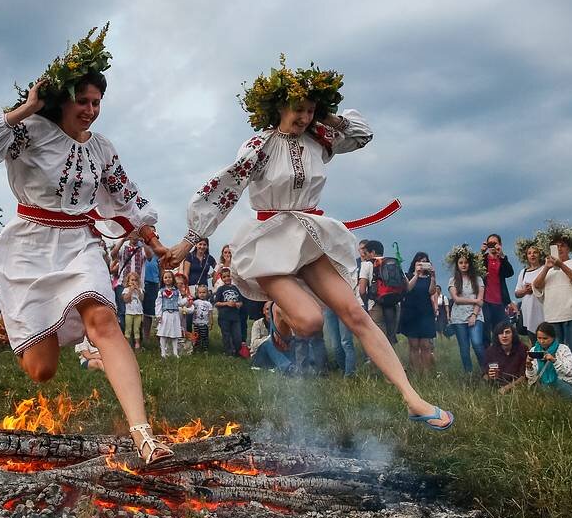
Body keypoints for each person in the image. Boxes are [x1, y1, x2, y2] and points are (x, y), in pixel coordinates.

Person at [166, 59, 452, 429]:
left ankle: (412, 398)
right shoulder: (260, 145)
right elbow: (225, 188)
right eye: (298, 109)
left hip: (309, 235)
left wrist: (329, 117)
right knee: (311, 321)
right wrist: (189, 241)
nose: (304, 117)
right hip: (267, 243)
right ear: (279, 108)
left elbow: (363, 135)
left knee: (356, 315)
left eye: (310, 109)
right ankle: (277, 333)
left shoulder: (320, 139)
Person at [0, 27, 173, 463]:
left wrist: (154, 242)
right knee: (42, 370)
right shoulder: (29, 132)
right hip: (28, 246)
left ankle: (144, 437)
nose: (92, 111)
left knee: (103, 319)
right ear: (62, 99)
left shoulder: (101, 149)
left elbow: (124, 198)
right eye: (83, 101)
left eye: (97, 103)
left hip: (79, 241)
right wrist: (26, 108)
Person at [532, 235, 572, 383]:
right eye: (555, 247)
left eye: (562, 245)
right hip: (553, 317)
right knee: (552, 352)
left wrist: (561, 265)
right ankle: (558, 384)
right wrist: (546, 267)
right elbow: (536, 286)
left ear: (569, 247)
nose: (559, 249)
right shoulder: (547, 268)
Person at [446, 245, 486, 373]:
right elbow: (456, 299)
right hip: (458, 317)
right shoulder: (453, 280)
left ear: (470, 264)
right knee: (464, 347)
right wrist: (475, 300)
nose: (464, 265)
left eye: (466, 262)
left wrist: (474, 315)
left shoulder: (478, 279)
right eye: (461, 263)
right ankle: (468, 373)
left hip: (476, 314)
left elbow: (481, 300)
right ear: (457, 264)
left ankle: (485, 371)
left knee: (477, 343)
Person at [359, 240, 405, 346]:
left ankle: (379, 362)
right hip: (394, 304)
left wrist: (367, 302)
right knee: (391, 338)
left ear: (373, 252)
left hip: (375, 305)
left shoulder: (366, 265)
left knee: (379, 341)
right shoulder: (394, 263)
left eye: (366, 253)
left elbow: (362, 290)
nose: (364, 256)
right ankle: (394, 361)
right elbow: (405, 285)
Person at [399, 252, 438, 371]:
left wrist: (433, 277)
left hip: (425, 312)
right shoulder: (408, 276)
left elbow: (431, 292)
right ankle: (415, 372)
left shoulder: (428, 278)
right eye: (420, 262)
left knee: (426, 345)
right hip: (411, 313)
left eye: (425, 262)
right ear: (415, 263)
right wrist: (416, 274)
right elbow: (407, 289)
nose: (422, 264)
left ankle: (426, 374)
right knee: (414, 345)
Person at [525, 322, 572, 400]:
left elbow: (570, 371)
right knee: (543, 389)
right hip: (542, 385)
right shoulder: (534, 350)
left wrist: (554, 361)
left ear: (553, 337)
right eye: (539, 338)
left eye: (545, 338)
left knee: (557, 385)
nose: (542, 341)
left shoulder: (563, 349)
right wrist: (528, 366)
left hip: (564, 384)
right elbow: (531, 378)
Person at [480, 234, 516, 340]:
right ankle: (487, 355)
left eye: (494, 243)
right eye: (490, 243)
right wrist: (481, 252)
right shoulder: (483, 259)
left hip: (500, 301)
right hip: (485, 300)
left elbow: (510, 273)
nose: (492, 246)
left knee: (501, 331)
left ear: (500, 244)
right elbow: (474, 270)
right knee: (486, 331)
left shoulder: (502, 259)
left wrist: (502, 255)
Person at [513, 240, 545, 342]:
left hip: (543, 310)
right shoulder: (523, 272)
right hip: (528, 312)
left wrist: (534, 287)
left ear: (540, 254)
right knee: (534, 342)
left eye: (535, 252)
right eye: (529, 253)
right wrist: (526, 290)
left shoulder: (545, 269)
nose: (532, 255)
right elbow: (517, 293)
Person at [250, 301, 295, 373]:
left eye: (272, 309)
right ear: (263, 311)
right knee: (269, 343)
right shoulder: (257, 324)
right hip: (260, 358)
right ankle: (288, 368)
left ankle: (303, 366)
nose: (270, 312)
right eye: (268, 309)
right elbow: (254, 344)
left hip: (277, 355)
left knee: (294, 342)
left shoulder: (284, 324)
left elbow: (291, 336)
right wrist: (271, 338)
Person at [484, 321, 527, 392]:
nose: (504, 336)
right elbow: (484, 374)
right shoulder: (490, 351)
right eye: (501, 333)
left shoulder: (522, 348)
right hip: (497, 385)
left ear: (513, 334)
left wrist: (507, 388)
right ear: (497, 336)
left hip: (518, 385)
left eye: (507, 332)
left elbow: (525, 375)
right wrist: (489, 376)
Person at [214, 267, 244, 357]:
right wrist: (227, 303)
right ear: (222, 278)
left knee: (237, 336)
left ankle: (237, 351)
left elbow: (241, 301)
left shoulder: (236, 288)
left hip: (235, 316)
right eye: (224, 277)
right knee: (226, 335)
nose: (227, 278)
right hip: (224, 316)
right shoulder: (221, 289)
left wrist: (238, 304)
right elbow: (216, 303)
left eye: (228, 276)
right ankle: (228, 352)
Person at [155, 270, 186, 358]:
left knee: (175, 333)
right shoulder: (161, 291)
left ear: (173, 279)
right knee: (163, 333)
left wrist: (187, 299)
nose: (168, 279)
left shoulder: (177, 291)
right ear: (163, 280)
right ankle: (163, 352)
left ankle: (175, 352)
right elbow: (158, 304)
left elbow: (180, 302)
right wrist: (158, 315)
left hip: (175, 314)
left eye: (169, 277)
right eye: (165, 277)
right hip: (165, 314)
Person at [122, 271, 144, 351]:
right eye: (132, 280)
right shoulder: (126, 290)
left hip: (138, 313)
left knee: (136, 329)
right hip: (129, 313)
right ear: (128, 281)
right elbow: (125, 299)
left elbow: (142, 298)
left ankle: (137, 343)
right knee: (128, 329)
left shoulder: (140, 290)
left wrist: (137, 290)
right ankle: (127, 344)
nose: (133, 282)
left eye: (135, 280)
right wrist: (131, 291)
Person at [141, 250, 161, 343]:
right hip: (142, 282)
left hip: (154, 283)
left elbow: (161, 270)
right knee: (143, 313)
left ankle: (157, 336)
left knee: (153, 312)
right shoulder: (140, 249)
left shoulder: (158, 254)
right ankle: (144, 337)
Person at [192, 285, 214, 353]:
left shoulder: (208, 304)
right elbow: (192, 310)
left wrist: (211, 322)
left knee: (204, 336)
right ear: (197, 293)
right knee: (196, 336)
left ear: (207, 293)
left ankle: (205, 348)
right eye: (200, 292)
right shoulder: (195, 302)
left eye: (204, 292)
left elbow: (210, 314)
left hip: (204, 323)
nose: (202, 294)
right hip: (196, 323)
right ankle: (197, 348)